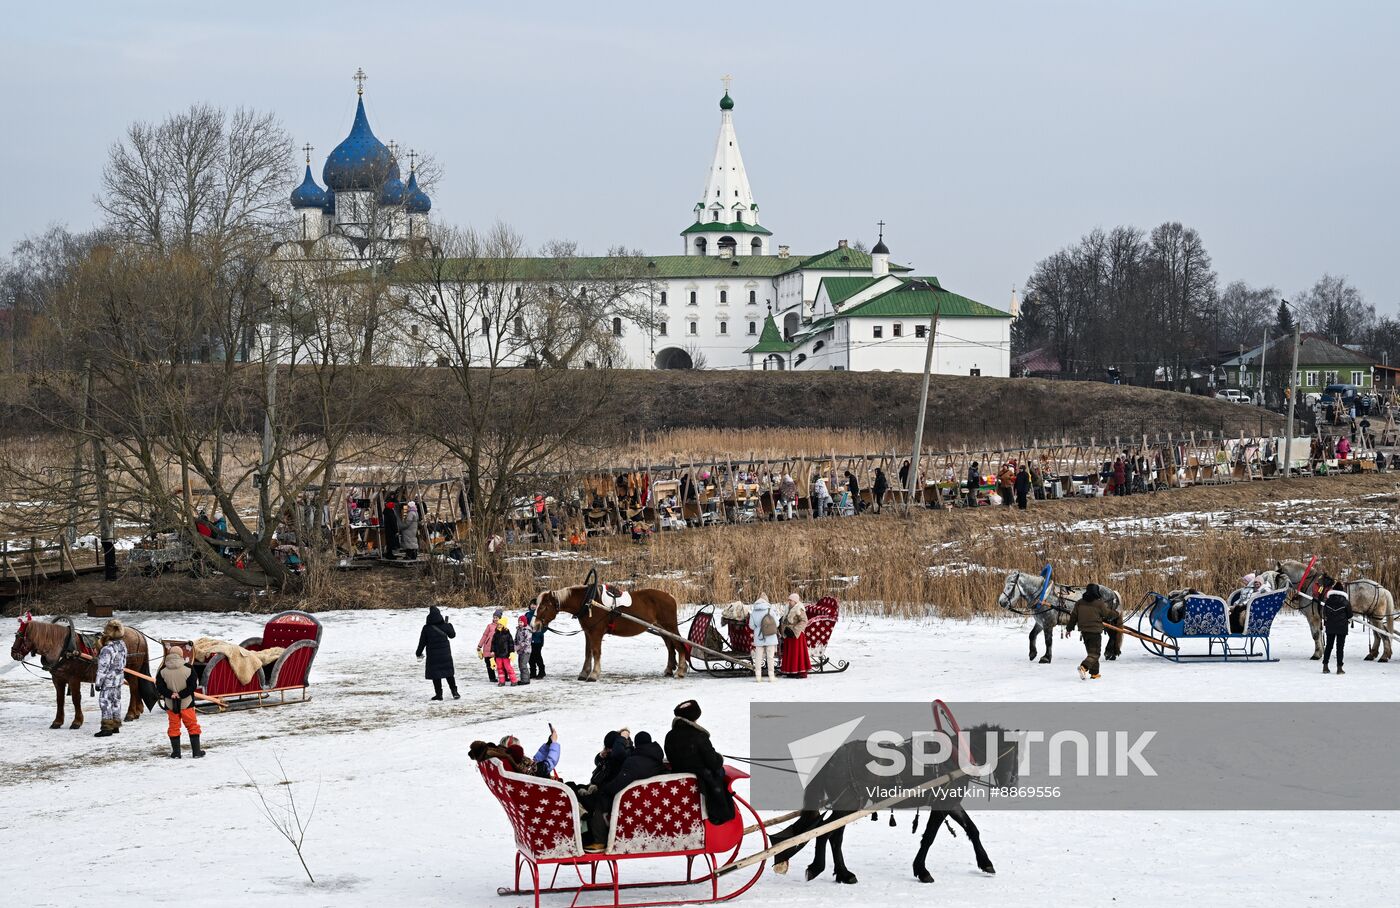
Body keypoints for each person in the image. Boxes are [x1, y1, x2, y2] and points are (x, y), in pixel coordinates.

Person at [665, 700, 736, 825]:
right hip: (701, 781)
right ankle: (722, 811)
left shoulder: (670, 735)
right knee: (720, 772)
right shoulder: (699, 736)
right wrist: (719, 757)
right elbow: (713, 763)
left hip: (681, 779)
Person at [1064, 584, 1122, 680]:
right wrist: (1117, 613)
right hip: (1094, 632)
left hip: (1084, 632)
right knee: (1095, 654)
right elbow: (1107, 614)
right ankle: (1084, 667)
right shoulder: (1099, 604)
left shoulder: (1079, 603)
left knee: (1091, 652)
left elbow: (1073, 617)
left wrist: (1069, 629)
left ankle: (1094, 673)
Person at [155, 648, 203, 758]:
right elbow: (193, 686)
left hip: (171, 704)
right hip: (187, 703)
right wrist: (181, 694)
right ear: (181, 655)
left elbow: (159, 687)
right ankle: (196, 752)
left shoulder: (162, 670)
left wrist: (170, 694)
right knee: (192, 726)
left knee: (173, 727)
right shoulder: (188, 668)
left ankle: (176, 753)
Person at [93, 619, 128, 738]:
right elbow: (124, 662)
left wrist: (98, 683)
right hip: (118, 679)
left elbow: (103, 668)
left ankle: (107, 727)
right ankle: (116, 724)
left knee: (105, 702)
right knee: (116, 701)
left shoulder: (106, 649)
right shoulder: (122, 645)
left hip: (108, 681)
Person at [416, 605, 459, 700]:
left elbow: (422, 642)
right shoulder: (444, 625)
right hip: (445, 655)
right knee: (449, 674)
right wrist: (449, 625)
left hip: (433, 656)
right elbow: (452, 635)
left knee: (436, 675)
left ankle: (439, 695)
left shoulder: (426, 628)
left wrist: (418, 653)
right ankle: (454, 692)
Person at [1320, 576, 1351, 675]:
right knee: (1340, 647)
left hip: (1330, 627)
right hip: (1342, 628)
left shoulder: (1328, 601)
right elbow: (1350, 615)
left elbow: (1324, 614)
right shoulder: (1345, 602)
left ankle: (1325, 666)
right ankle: (1339, 668)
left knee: (1329, 646)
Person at [779, 593, 811, 678]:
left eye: (791, 600)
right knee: (790, 653)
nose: (789, 602)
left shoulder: (799, 609)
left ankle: (800, 672)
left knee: (797, 653)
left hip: (796, 635)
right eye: (789, 600)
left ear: (795, 601)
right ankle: (790, 671)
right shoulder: (788, 609)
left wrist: (794, 630)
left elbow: (804, 621)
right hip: (788, 635)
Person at [749, 596, 779, 681]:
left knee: (758, 657)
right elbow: (776, 624)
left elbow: (751, 626)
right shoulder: (770, 610)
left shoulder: (754, 612)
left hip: (759, 637)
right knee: (770, 657)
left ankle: (758, 676)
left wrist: (758, 627)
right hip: (771, 636)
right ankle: (771, 676)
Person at [490, 616, 518, 686]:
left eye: (500, 624)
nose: (498, 625)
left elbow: (511, 644)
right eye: (498, 624)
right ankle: (501, 681)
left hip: (506, 654)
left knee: (508, 668)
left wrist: (511, 652)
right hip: (498, 654)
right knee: (499, 668)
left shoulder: (507, 634)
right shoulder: (496, 634)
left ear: (503, 625)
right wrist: (492, 651)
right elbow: (493, 643)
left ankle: (514, 681)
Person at [477, 609, 503, 682]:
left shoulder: (502, 626)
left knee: (499, 663)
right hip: (487, 647)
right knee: (489, 664)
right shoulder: (489, 626)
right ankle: (492, 678)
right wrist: (480, 645)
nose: (495, 619)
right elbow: (485, 635)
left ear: (500, 618)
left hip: (497, 649)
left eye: (496, 617)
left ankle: (503, 677)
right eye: (494, 617)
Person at [524, 607, 546, 679]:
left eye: (535, 604)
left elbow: (545, 627)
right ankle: (533, 672)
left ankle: (542, 671)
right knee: (530, 657)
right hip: (528, 639)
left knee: (537, 656)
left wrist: (538, 632)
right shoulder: (527, 615)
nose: (533, 606)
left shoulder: (541, 614)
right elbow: (524, 625)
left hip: (537, 640)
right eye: (532, 604)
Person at [513, 615, 533, 686]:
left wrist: (519, 646)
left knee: (523, 665)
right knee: (520, 665)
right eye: (519, 622)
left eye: (521, 622)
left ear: (524, 622)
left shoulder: (527, 630)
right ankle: (523, 678)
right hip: (520, 651)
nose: (519, 623)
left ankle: (525, 680)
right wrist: (514, 645)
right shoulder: (518, 629)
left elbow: (527, 642)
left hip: (526, 651)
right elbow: (516, 639)